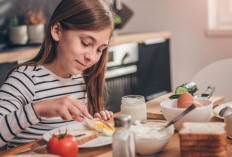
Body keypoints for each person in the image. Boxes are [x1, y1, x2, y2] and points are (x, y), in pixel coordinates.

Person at [0, 0, 115, 149]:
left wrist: (94, 123)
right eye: (86, 43)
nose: (92, 57)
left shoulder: (80, 81)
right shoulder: (26, 79)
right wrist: (39, 109)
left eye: (100, 49)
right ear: (56, 31)